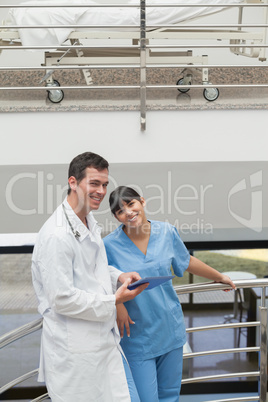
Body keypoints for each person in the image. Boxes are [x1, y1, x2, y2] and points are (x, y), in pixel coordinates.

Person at [31, 153, 148, 402]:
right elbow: (62, 298)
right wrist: (114, 301)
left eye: (105, 184)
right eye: (94, 183)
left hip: (102, 342)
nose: (102, 191)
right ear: (73, 182)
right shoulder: (56, 235)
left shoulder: (88, 221)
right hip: (76, 352)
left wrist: (118, 276)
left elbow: (92, 268)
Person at [103, 186, 236, 402]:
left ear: (142, 202)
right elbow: (103, 280)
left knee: (170, 396)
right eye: (120, 211)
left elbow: (186, 260)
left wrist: (218, 276)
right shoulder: (108, 245)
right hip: (137, 335)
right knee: (146, 398)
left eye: (131, 204)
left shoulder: (166, 232)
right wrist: (118, 306)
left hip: (169, 328)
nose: (128, 212)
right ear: (116, 217)